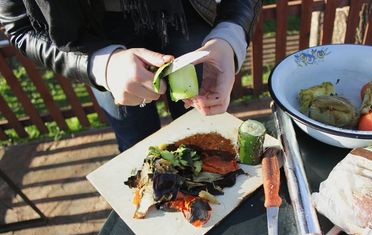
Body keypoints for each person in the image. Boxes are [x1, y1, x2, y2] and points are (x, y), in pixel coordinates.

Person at [0, 0, 262, 152]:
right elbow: (21, 25)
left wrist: (230, 35)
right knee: (135, 141)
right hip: (95, 35)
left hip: (189, 15)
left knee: (204, 124)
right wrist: (101, 64)